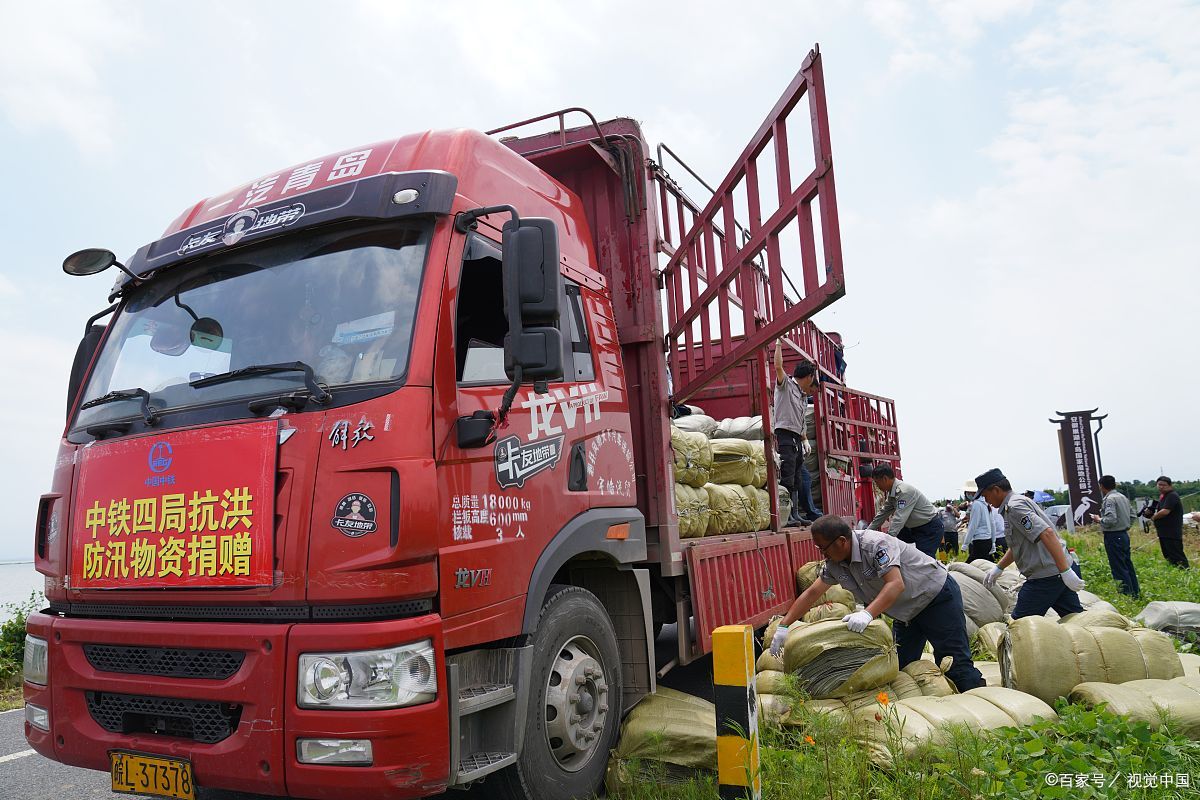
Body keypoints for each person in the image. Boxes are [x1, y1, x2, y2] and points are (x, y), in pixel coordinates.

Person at [769, 515, 984, 691]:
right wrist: (784, 626)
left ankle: (982, 717)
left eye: (823, 548)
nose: (822, 554)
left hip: (935, 598)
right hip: (906, 614)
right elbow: (811, 593)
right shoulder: (835, 564)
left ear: (842, 541)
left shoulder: (875, 545)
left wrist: (867, 614)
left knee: (954, 664)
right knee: (899, 670)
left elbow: (895, 584)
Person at [975, 468, 1085, 619]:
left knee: (1019, 625)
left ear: (996, 490)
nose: (987, 501)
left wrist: (1065, 571)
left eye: (986, 496)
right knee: (1075, 619)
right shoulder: (1017, 503)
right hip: (1055, 573)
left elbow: (1047, 533)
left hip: (1046, 577)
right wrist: (999, 568)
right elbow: (1019, 545)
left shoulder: (1014, 507)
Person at [773, 340, 822, 524]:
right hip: (784, 434)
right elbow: (778, 366)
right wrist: (778, 344)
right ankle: (786, 516)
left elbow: (800, 421)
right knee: (787, 474)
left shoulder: (802, 396)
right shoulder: (785, 385)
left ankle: (795, 514)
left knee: (796, 478)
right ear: (809, 377)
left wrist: (804, 439)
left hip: (796, 437)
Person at [866, 464, 943, 557]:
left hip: (929, 528)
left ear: (885, 479)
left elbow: (899, 519)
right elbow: (883, 513)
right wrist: (867, 533)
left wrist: (888, 539)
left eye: (877, 483)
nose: (877, 486)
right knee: (899, 554)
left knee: (924, 561)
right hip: (914, 528)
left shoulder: (904, 491)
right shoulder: (892, 494)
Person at [1089, 475, 1140, 596]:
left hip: (1113, 536)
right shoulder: (1122, 497)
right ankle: (1135, 592)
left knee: (1118, 567)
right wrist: (1125, 525)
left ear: (1101, 486)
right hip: (1123, 534)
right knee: (1127, 564)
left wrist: (1099, 520)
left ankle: (1126, 594)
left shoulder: (1110, 499)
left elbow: (1111, 519)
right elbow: (1133, 515)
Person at [1149, 476, 1190, 569]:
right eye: (1159, 485)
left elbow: (1165, 511)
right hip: (1164, 532)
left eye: (1164, 485)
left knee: (1176, 555)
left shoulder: (1172, 495)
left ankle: (1185, 573)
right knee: (1168, 555)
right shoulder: (1163, 496)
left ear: (1170, 486)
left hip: (1172, 532)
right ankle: (1175, 572)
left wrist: (1154, 517)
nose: (1161, 487)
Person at [961, 480, 1007, 563]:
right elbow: (992, 524)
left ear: (970, 493)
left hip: (979, 541)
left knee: (970, 566)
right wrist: (993, 542)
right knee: (985, 566)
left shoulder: (976, 504)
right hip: (987, 541)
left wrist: (965, 544)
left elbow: (973, 525)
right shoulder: (985, 504)